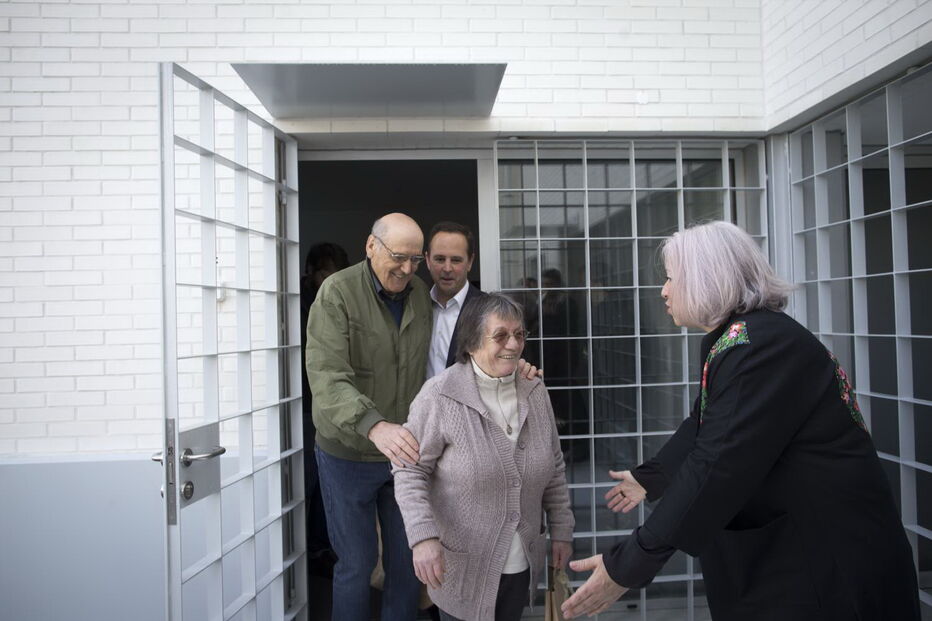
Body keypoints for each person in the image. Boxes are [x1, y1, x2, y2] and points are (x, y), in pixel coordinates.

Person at [563, 221, 921, 621]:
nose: (663, 291)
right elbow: (704, 423)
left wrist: (628, 564)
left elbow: (716, 465)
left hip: (826, 567)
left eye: (670, 279)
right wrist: (650, 477)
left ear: (705, 280)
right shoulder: (744, 339)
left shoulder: (756, 347)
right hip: (803, 557)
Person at [394, 293, 575, 621]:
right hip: (462, 569)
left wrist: (562, 529)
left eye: (519, 334)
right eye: (501, 335)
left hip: (521, 567)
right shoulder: (439, 395)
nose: (513, 344)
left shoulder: (534, 391)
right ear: (473, 341)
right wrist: (423, 538)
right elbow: (409, 471)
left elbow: (554, 466)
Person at [306, 212, 432, 621]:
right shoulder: (336, 294)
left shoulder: (418, 294)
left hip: (404, 456)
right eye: (399, 256)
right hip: (347, 454)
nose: (407, 268)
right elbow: (327, 377)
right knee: (356, 565)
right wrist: (373, 425)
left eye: (416, 259)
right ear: (370, 246)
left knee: (406, 564)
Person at [300, 242, 349, 581]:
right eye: (323, 271)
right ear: (311, 273)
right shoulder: (301, 306)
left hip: (339, 409)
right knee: (308, 482)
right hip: (303, 406)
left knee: (326, 486)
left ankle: (321, 547)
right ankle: (309, 549)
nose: (329, 278)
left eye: (334, 270)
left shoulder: (344, 302)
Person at [425, 221, 483, 379]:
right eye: (440, 259)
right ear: (428, 260)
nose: (447, 268)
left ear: (470, 262)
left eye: (456, 260)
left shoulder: (488, 310)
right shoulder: (413, 305)